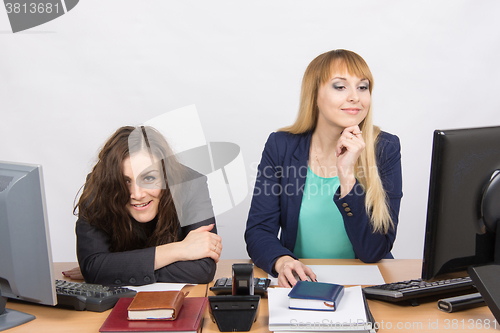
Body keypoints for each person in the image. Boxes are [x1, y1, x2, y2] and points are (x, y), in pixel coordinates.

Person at [245, 49, 402, 287]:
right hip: (302, 281)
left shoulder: (385, 148)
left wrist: (347, 176)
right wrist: (282, 261)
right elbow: (258, 231)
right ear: (314, 95)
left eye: (363, 87)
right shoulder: (281, 146)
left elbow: (374, 250)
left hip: (365, 284)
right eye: (340, 87)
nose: (355, 97)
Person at [64, 125, 222, 286]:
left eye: (149, 178)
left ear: (166, 176)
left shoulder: (191, 185)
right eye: (125, 181)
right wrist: (179, 250)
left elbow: (201, 270)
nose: (137, 194)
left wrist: (114, 269)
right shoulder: (100, 186)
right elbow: (93, 269)